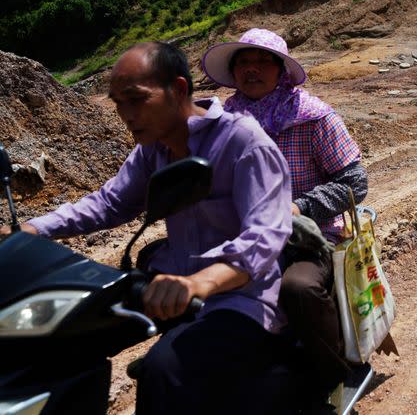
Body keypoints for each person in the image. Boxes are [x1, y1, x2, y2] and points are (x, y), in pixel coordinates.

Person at [1, 41, 293, 415]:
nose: (125, 113)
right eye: (118, 102)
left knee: (163, 370)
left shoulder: (243, 142)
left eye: (136, 99)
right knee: (58, 340)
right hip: (170, 289)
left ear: (179, 90)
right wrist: (33, 229)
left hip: (240, 298)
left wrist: (198, 282)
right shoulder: (152, 150)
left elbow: (264, 237)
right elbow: (111, 202)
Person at [202, 28, 368, 402]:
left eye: (262, 61)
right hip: (246, 234)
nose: (252, 69)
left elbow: (354, 182)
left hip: (309, 234)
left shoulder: (312, 117)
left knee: (298, 288)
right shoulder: (223, 121)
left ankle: (332, 379)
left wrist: (300, 206)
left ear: (281, 70)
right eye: (243, 62)